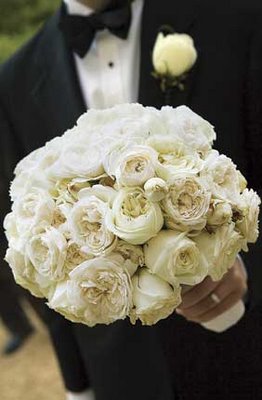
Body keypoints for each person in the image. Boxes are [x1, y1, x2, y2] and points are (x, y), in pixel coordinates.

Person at [0, 0, 261, 399]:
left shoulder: (236, 18)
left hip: (242, 353)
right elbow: (35, 252)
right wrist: (79, 385)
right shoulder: (13, 81)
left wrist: (233, 252)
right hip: (120, 372)